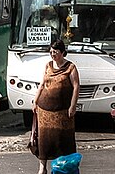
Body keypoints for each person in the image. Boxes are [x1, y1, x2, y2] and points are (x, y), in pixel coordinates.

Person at [32, 40, 80, 174]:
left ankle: (63, 166)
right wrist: (35, 101)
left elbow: (76, 86)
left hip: (63, 111)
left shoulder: (71, 67)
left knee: (62, 139)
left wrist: (73, 105)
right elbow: (42, 84)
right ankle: (42, 167)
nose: (53, 55)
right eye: (51, 52)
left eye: (56, 52)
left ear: (63, 52)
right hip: (45, 111)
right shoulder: (48, 65)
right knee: (44, 139)